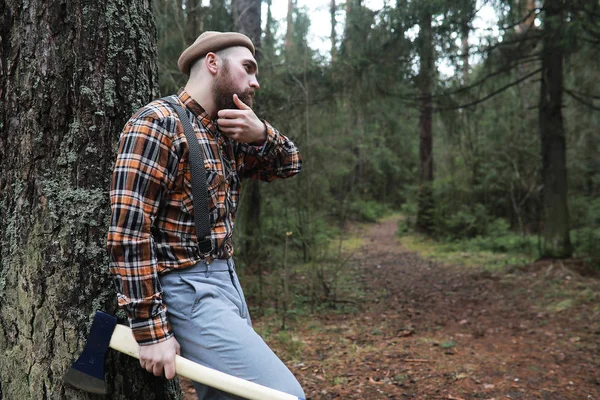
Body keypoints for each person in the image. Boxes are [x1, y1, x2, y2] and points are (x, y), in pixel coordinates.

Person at [107, 31, 304, 399]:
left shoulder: (230, 134)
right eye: (247, 68)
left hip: (228, 285)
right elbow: (128, 232)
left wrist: (261, 133)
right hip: (188, 291)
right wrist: (150, 330)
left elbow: (289, 164)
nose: (255, 81)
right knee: (284, 395)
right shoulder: (157, 122)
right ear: (213, 63)